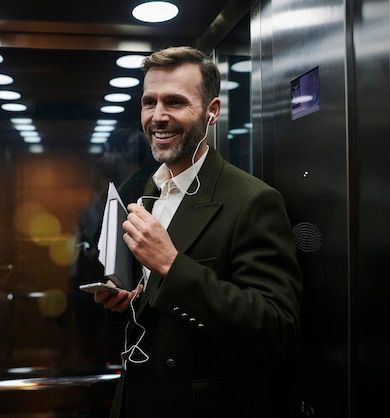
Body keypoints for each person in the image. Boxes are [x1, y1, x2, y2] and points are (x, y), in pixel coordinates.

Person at [92, 46, 303, 418]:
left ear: (212, 112)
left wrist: (173, 266)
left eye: (175, 102)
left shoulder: (252, 200)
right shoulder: (147, 191)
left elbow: (277, 329)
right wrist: (126, 300)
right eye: (149, 102)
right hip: (136, 399)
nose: (158, 117)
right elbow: (160, 307)